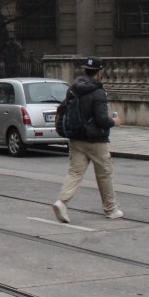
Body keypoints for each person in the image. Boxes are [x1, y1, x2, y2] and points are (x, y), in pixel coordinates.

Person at [51, 56, 123, 223]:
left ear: (84, 70)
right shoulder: (98, 92)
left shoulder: (73, 88)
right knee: (104, 173)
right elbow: (101, 119)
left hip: (75, 137)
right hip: (95, 140)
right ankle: (111, 209)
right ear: (99, 72)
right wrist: (114, 122)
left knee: (75, 173)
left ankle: (61, 202)